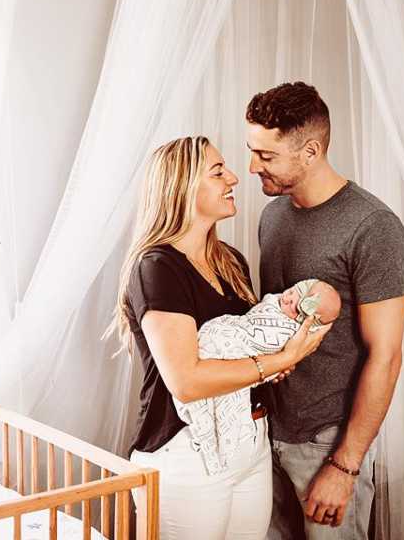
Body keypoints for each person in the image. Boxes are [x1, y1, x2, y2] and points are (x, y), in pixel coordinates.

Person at [106, 135, 332, 540]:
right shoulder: (157, 267)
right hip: (189, 452)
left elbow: (244, 345)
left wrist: (263, 368)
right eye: (217, 171)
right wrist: (280, 361)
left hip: (250, 443)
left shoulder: (229, 261)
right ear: (183, 187)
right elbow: (187, 382)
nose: (233, 177)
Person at [245, 82, 404, 540]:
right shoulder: (273, 216)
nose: (252, 166)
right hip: (267, 437)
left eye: (266, 155)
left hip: (327, 444)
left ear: (311, 151)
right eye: (252, 151)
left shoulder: (374, 228)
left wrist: (344, 465)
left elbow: (387, 356)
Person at [175, 279, 341, 477]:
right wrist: (284, 358)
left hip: (285, 431)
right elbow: (256, 319)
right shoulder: (275, 302)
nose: (287, 301)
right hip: (227, 346)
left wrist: (280, 360)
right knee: (216, 340)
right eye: (290, 293)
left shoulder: (293, 329)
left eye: (297, 310)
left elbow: (281, 343)